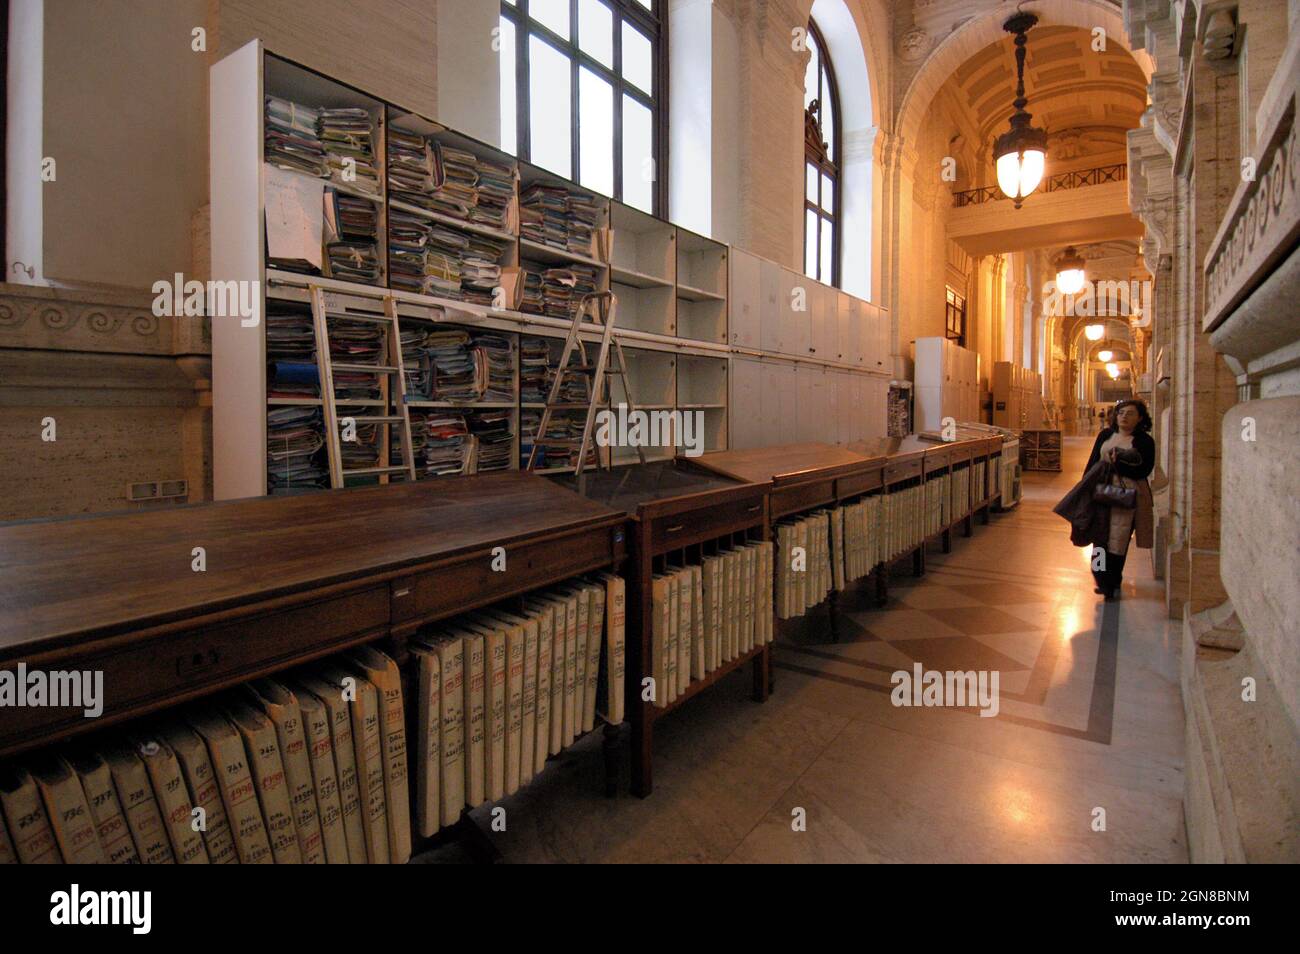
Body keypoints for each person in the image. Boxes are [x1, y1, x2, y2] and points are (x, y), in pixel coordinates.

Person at [1084, 398, 1155, 599]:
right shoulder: (1105, 435)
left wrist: (1119, 465)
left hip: (1127, 494)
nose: (1124, 417)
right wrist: (1085, 487)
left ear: (1140, 417)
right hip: (1101, 491)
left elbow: (1144, 469)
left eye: (1130, 413)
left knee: (1118, 539)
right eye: (1121, 412)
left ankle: (1113, 580)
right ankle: (1100, 577)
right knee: (1099, 540)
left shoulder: (1144, 441)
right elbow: (1093, 462)